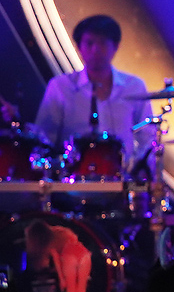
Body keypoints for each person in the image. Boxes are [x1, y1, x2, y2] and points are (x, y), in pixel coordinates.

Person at [33, 14, 153, 178]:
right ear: (79, 47)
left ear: (115, 46)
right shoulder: (61, 86)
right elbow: (44, 138)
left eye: (102, 43)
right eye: (89, 43)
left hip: (123, 179)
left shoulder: (134, 86)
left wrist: (136, 169)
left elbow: (147, 136)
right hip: (72, 179)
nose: (95, 50)